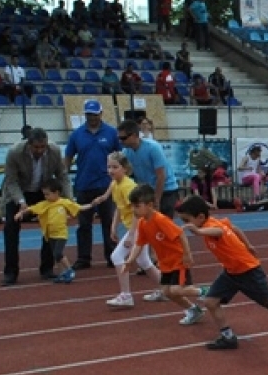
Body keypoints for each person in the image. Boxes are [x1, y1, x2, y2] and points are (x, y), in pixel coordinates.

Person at [178, 195, 268, 350]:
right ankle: (228, 337)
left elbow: (218, 232)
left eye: (187, 221)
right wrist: (248, 244)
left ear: (200, 217)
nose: (185, 225)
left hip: (249, 271)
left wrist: (198, 231)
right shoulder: (217, 222)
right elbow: (234, 228)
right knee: (210, 301)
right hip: (231, 272)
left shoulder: (212, 226)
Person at [124, 184, 207, 326]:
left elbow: (180, 234)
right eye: (133, 206)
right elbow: (139, 243)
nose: (134, 209)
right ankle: (193, 310)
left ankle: (206, 291)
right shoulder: (143, 223)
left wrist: (187, 254)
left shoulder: (160, 220)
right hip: (166, 263)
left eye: (137, 206)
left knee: (176, 289)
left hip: (178, 260)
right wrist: (130, 259)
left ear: (150, 205)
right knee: (167, 292)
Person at [92, 152, 164, 307]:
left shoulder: (128, 186)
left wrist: (132, 235)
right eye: (109, 167)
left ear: (124, 169)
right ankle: (165, 289)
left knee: (116, 256)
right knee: (144, 261)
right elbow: (118, 206)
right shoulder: (114, 184)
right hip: (137, 227)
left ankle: (126, 295)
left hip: (141, 227)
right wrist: (113, 227)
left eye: (115, 167)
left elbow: (137, 213)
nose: (111, 170)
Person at [0, 128, 72, 285]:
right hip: (18, 191)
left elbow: (63, 176)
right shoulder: (14, 153)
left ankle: (47, 268)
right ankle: (11, 272)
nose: (40, 150)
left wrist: (69, 201)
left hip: (42, 191)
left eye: (43, 147)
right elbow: (11, 181)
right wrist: (21, 202)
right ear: (28, 145)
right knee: (11, 229)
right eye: (36, 147)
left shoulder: (54, 151)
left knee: (51, 227)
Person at [65, 99, 121, 269]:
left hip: (106, 184)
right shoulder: (76, 134)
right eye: (89, 114)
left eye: (95, 114)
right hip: (83, 184)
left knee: (108, 221)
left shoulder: (111, 133)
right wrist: (63, 176)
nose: (92, 118)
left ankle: (112, 255)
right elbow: (68, 157)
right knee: (83, 224)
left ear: (101, 114)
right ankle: (83, 258)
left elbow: (119, 156)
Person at [13, 177, 90, 284]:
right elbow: (31, 208)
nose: (46, 197)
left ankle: (69, 270)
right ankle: (62, 273)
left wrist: (92, 204)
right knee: (55, 255)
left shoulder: (64, 202)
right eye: (44, 194)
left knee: (58, 253)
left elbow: (79, 207)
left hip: (61, 234)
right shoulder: (45, 204)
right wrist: (20, 213)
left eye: (48, 194)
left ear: (57, 193)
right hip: (50, 234)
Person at [118, 119, 180, 218]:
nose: (121, 141)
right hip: (148, 190)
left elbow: (161, 176)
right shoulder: (126, 152)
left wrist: (156, 200)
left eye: (123, 138)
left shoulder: (153, 148)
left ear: (134, 135)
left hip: (166, 189)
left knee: (164, 224)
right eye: (119, 138)